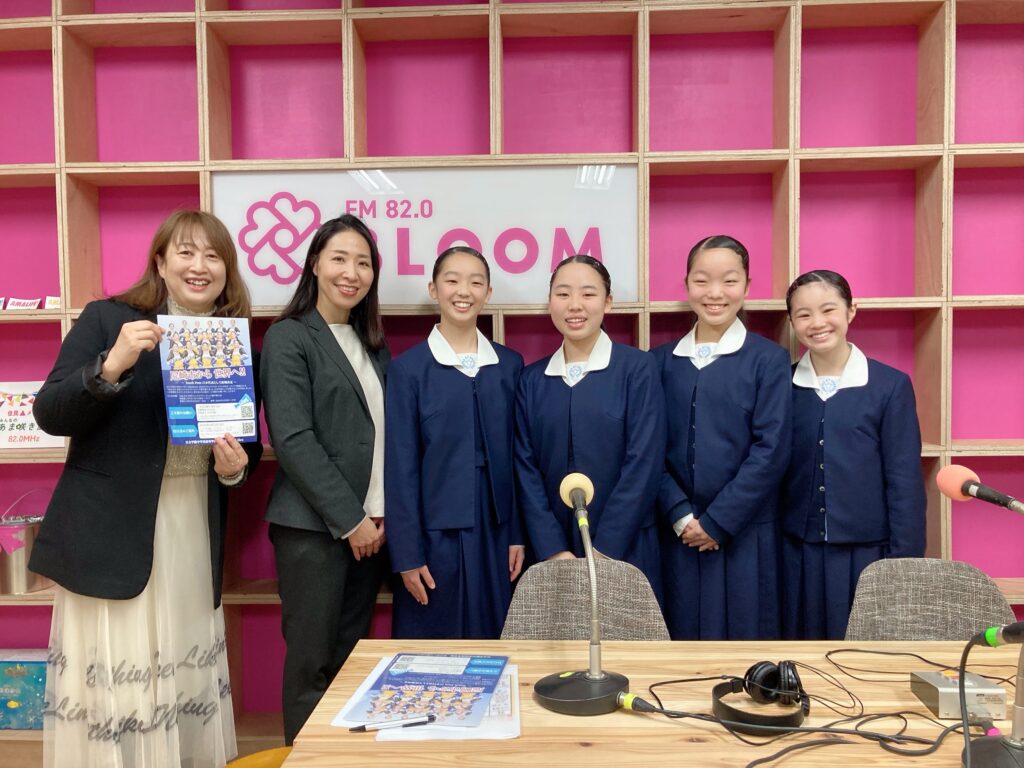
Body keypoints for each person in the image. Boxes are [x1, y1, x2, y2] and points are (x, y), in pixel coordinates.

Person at [29, 209, 262, 768]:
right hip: (112, 530)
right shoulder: (109, 319)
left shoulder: (234, 345)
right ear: (160, 262)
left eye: (213, 256)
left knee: (181, 669)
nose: (199, 266)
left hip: (190, 524)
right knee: (120, 677)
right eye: (185, 252)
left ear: (227, 271)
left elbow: (245, 449)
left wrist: (233, 468)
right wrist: (111, 365)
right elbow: (50, 412)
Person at [260, 214, 389, 745]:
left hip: (370, 530)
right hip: (315, 531)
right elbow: (293, 440)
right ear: (315, 263)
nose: (351, 273)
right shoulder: (289, 336)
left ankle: (341, 755)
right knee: (311, 664)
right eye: (339, 258)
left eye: (363, 263)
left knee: (350, 660)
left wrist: (375, 515)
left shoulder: (370, 342)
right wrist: (350, 519)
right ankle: (305, 755)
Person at [653, 235, 791, 640]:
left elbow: (771, 450)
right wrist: (681, 515)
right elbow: (647, 449)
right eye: (702, 281)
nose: (715, 293)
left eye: (729, 281)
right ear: (686, 285)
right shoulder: (658, 362)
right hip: (676, 532)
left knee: (745, 642)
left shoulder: (768, 359)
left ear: (747, 287)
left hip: (745, 532)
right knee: (677, 640)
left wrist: (718, 522)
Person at [386, 247, 525, 639]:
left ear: (488, 293)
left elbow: (519, 459)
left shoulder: (509, 365)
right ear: (434, 289)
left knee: (498, 641)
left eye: (476, 282)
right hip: (434, 535)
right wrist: (407, 554)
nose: (464, 291)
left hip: (497, 531)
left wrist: (517, 534)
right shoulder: (408, 369)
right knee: (436, 646)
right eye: (452, 280)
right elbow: (400, 466)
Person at [781, 269, 926, 640]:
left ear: (851, 310)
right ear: (792, 322)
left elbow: (904, 479)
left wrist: (903, 561)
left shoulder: (890, 386)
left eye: (828, 309)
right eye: (803, 314)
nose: (817, 323)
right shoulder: (781, 385)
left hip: (867, 554)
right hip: (796, 553)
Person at [514, 255, 665, 599]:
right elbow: (525, 466)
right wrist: (552, 548)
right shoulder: (532, 379)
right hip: (553, 551)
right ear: (550, 301)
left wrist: (605, 548)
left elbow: (644, 461)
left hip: (625, 545)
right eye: (563, 294)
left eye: (588, 293)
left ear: (608, 302)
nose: (575, 305)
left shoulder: (637, 368)